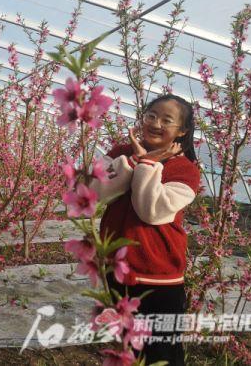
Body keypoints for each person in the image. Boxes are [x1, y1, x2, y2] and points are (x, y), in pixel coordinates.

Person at [89, 94, 201, 366]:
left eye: (167, 120)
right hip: (115, 268)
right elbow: (91, 193)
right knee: (125, 347)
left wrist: (148, 165)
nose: (156, 123)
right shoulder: (119, 153)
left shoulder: (185, 170)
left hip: (158, 276)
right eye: (151, 115)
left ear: (182, 131)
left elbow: (150, 211)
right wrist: (130, 164)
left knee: (162, 353)